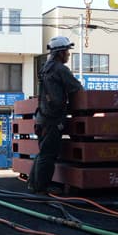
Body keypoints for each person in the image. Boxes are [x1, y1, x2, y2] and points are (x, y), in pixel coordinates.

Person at [28, 36, 84, 194]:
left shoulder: (45, 68)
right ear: (60, 53)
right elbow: (77, 88)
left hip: (42, 118)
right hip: (52, 119)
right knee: (48, 155)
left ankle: (33, 185)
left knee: (43, 152)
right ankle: (41, 188)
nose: (68, 54)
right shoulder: (60, 69)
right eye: (67, 51)